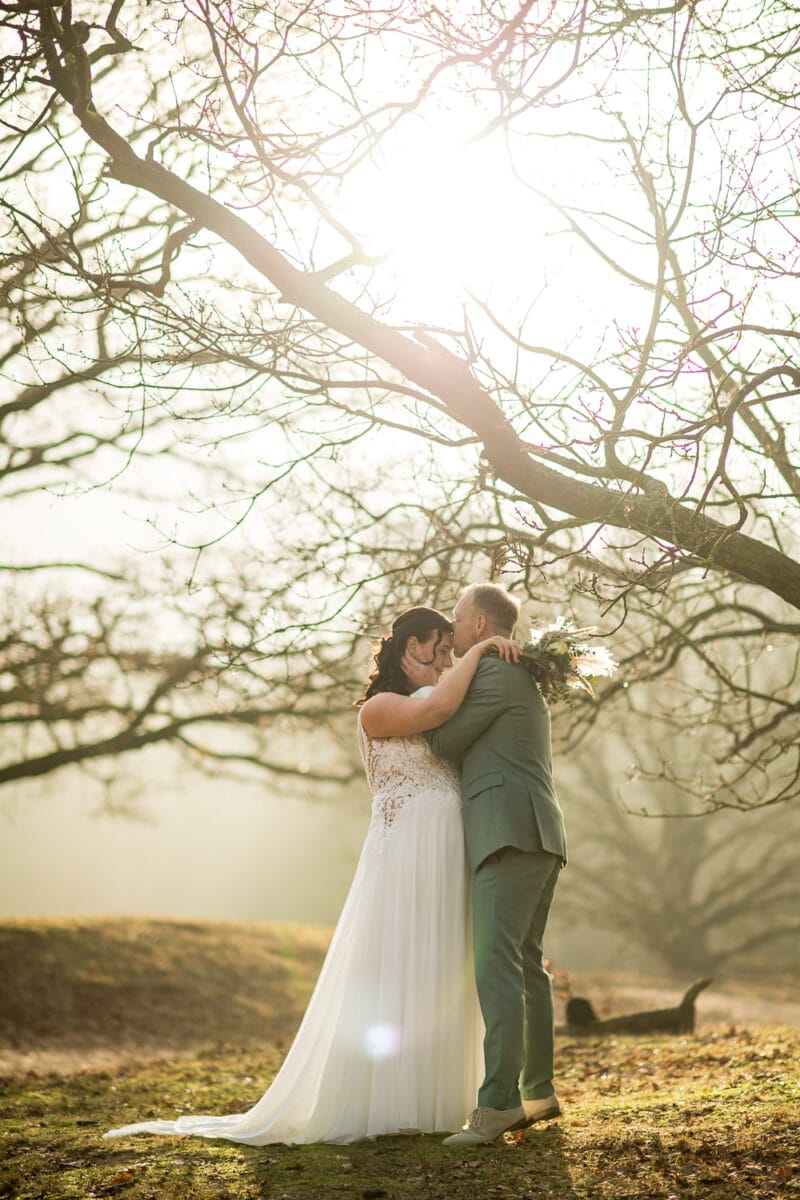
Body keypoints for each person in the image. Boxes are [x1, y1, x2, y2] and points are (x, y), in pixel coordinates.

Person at [104, 606, 519, 1146]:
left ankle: (438, 1099)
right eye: (440, 649)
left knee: (444, 962)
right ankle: (386, 1101)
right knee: (401, 959)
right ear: (409, 647)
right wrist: (485, 649)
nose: (446, 661)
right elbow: (438, 709)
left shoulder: (438, 694)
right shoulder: (380, 708)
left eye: (450, 651)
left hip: (448, 847)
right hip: (407, 850)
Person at [425, 584, 567, 1147]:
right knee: (527, 963)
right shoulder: (517, 672)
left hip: (508, 832)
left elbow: (443, 738)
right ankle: (539, 1091)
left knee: (495, 963)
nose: (453, 633)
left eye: (458, 622)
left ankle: (499, 1104)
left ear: (481, 625)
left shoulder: (493, 672)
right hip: (536, 832)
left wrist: (438, 688)